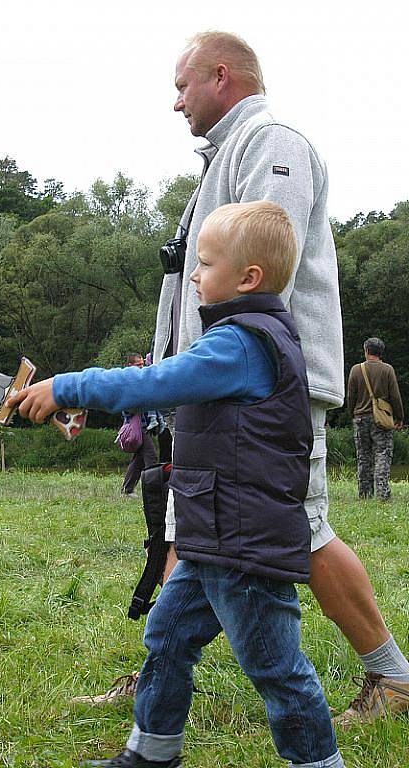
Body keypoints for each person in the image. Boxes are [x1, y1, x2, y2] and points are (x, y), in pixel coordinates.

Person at [95, 29, 409, 726]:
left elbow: (267, 262)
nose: (174, 102)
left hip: (264, 393)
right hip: (219, 389)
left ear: (222, 75)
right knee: (194, 528)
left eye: (183, 86)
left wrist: (218, 372)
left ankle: (393, 676)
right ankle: (159, 676)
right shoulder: (225, 158)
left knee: (302, 527)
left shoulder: (274, 144)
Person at [11, 202, 344, 768]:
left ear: (247, 279)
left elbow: (157, 382)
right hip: (213, 536)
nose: (193, 274)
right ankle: (152, 753)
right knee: (166, 637)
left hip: (243, 547)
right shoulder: (244, 341)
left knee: (277, 668)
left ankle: (318, 763)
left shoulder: (239, 343)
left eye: (205, 263)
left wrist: (69, 387)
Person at [347, 338, 404, 501]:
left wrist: (353, 413)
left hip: (360, 418)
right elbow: (395, 396)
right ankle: (382, 495)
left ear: (366, 350)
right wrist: (399, 417)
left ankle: (365, 495)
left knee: (363, 457)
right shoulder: (387, 370)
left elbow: (351, 396)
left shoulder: (356, 370)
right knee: (382, 455)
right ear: (381, 353)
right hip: (382, 419)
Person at [120, 354, 159, 498]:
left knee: (139, 459)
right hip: (137, 426)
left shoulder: (141, 379)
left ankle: (127, 489)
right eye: (138, 365)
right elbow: (125, 407)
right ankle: (153, 491)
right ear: (130, 365)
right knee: (151, 457)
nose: (142, 367)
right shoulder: (126, 382)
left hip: (145, 424)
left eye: (142, 364)